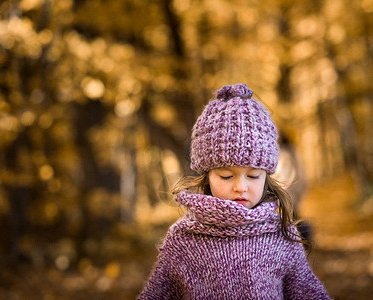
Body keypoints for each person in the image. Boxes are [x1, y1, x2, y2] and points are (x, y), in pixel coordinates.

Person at [138, 84, 331, 299]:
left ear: (266, 178)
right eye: (226, 176)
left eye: (253, 176)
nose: (240, 186)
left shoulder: (282, 236)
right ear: (206, 176)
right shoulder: (183, 239)